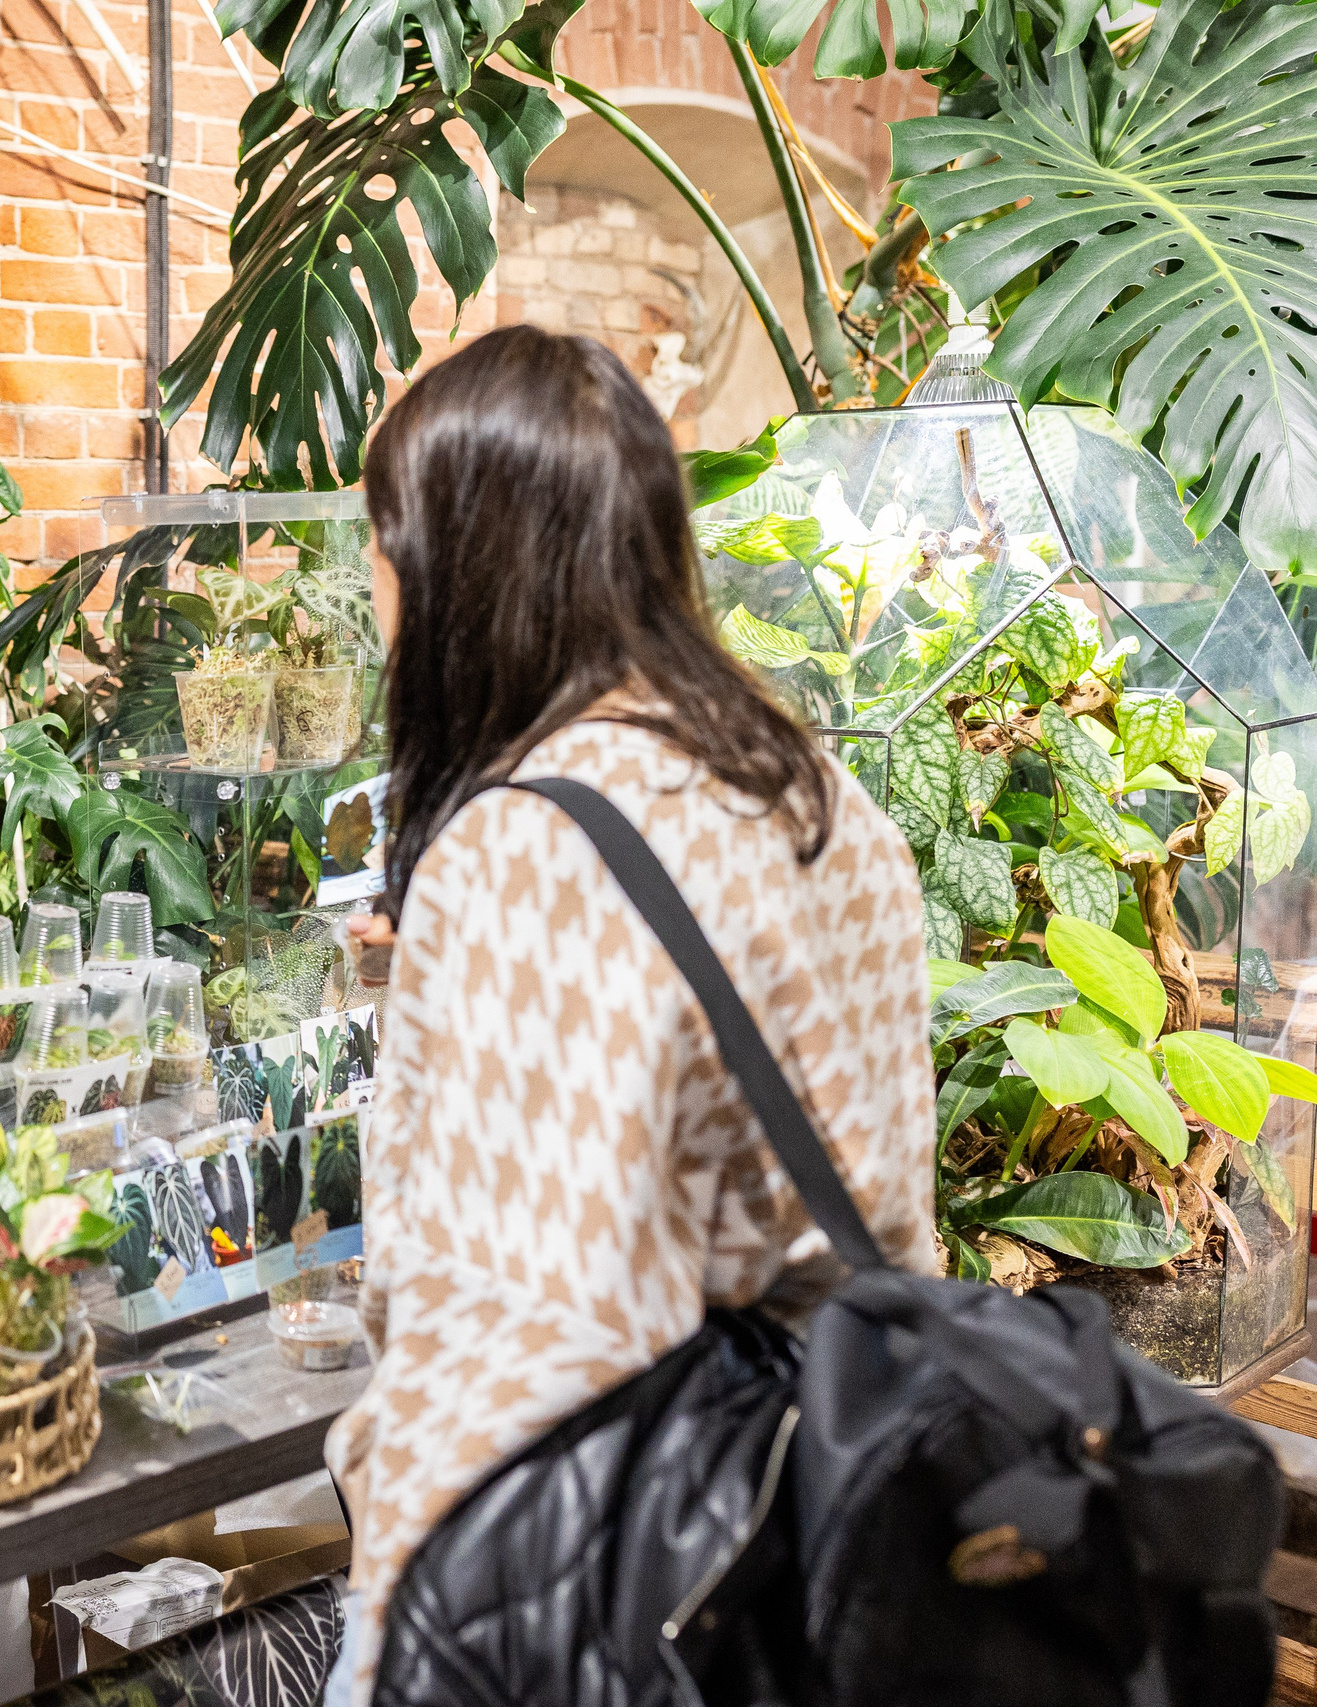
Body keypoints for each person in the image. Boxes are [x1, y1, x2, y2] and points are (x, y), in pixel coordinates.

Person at [323, 325, 939, 1701]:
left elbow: (517, 1353)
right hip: (818, 1543)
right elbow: (883, 1219)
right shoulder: (825, 804)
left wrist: (392, 1646)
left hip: (596, 1597)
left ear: (456, 563)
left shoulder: (525, 848)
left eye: (382, 537)